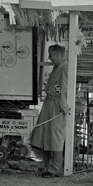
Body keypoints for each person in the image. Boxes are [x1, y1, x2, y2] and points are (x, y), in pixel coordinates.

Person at [30, 43, 71, 178]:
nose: (49, 57)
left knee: (55, 137)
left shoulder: (65, 69)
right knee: (44, 136)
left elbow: (64, 89)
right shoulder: (57, 68)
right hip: (49, 105)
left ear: (58, 55)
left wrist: (63, 107)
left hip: (56, 106)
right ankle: (48, 166)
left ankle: (55, 168)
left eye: (51, 55)